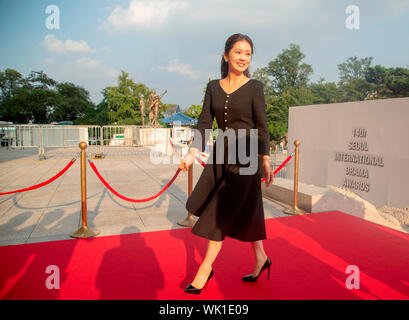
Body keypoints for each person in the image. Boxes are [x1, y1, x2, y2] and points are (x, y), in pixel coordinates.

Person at [179, 33, 274, 294]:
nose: (243, 57)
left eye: (248, 53)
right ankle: (261, 259)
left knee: (221, 210)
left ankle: (205, 268)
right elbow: (204, 122)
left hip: (246, 156)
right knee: (246, 211)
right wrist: (191, 153)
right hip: (221, 153)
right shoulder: (213, 87)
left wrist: (265, 159)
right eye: (238, 52)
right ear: (226, 55)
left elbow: (262, 126)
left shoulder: (255, 87)